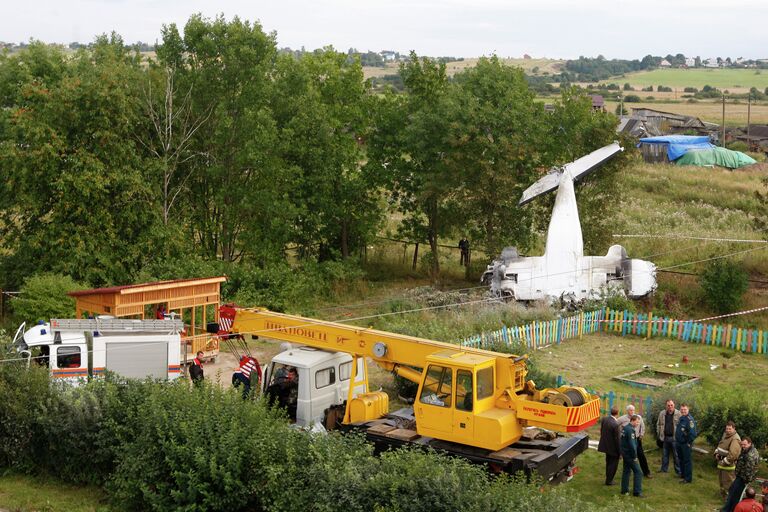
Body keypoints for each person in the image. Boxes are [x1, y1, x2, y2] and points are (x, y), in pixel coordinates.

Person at [723, 437, 761, 512]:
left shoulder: (750, 456)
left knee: (734, 495)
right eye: (742, 444)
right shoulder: (748, 450)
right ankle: (729, 509)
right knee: (732, 491)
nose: (743, 446)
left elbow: (749, 470)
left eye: (745, 444)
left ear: (750, 443)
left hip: (743, 478)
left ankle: (729, 510)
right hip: (740, 476)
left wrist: (745, 481)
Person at [618, 404, 652, 479]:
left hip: (637, 439)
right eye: (630, 410)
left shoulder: (638, 417)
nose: (632, 412)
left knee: (641, 456)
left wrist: (641, 434)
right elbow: (616, 424)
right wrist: (621, 434)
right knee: (629, 455)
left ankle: (646, 472)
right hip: (628, 440)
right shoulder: (622, 418)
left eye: (633, 410)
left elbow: (642, 426)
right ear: (627, 411)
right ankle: (628, 472)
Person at [715, 421, 742, 500]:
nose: (728, 430)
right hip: (721, 464)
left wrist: (724, 462)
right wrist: (716, 453)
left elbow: (733, 454)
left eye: (730, 429)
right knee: (722, 482)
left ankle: (729, 500)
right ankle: (724, 497)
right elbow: (720, 445)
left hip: (728, 466)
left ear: (734, 429)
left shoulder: (735, 438)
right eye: (727, 428)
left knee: (729, 484)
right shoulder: (725, 434)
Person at [620, 414, 644, 498]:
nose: (638, 424)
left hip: (625, 454)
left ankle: (624, 490)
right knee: (638, 472)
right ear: (632, 420)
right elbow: (632, 445)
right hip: (630, 455)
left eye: (639, 422)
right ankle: (637, 492)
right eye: (637, 422)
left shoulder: (625, 428)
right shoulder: (630, 430)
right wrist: (634, 457)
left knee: (626, 471)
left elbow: (622, 442)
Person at [657, 399, 682, 476]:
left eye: (671, 405)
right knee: (664, 455)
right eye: (668, 405)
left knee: (676, 455)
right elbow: (658, 424)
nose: (670, 407)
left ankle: (678, 471)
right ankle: (664, 469)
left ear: (674, 405)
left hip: (675, 438)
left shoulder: (679, 414)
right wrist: (659, 433)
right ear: (666, 406)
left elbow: (682, 426)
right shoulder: (662, 413)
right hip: (665, 437)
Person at [598, 406, 621, 486]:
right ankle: (609, 481)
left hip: (606, 445)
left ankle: (608, 478)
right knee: (613, 465)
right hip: (613, 448)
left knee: (608, 463)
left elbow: (601, 431)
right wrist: (620, 452)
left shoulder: (605, 419)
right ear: (617, 413)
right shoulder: (615, 424)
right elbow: (617, 440)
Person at [675, 403, 697, 484]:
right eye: (682, 409)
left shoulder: (690, 420)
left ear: (688, 410)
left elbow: (693, 434)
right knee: (681, 459)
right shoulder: (681, 418)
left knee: (687, 461)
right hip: (679, 443)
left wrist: (688, 443)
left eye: (685, 409)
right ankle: (683, 474)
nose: (683, 411)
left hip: (685, 444)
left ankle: (688, 478)